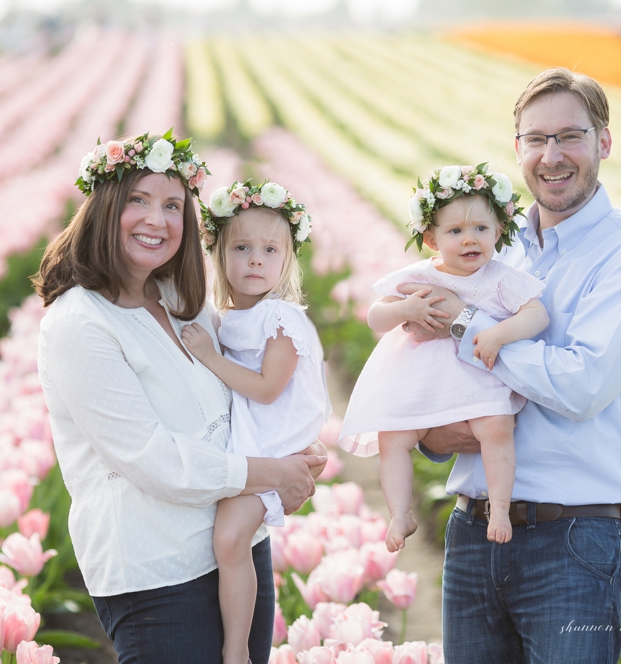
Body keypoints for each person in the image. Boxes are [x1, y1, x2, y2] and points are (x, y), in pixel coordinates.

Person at [400, 68, 621, 661]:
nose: (552, 156)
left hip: (573, 542)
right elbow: (427, 366)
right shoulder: (493, 247)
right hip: (473, 533)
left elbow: (582, 384)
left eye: (570, 137)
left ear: (604, 142)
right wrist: (429, 432)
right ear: (518, 149)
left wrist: (466, 328)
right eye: (536, 139)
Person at [34, 131, 326, 663]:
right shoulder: (79, 324)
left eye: (173, 205)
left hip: (237, 547)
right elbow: (153, 459)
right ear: (103, 208)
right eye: (138, 201)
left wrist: (298, 451)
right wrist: (273, 473)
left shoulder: (177, 299)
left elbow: (243, 396)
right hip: (159, 573)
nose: (158, 219)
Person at [335, 163, 546, 553]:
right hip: (421, 380)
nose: (470, 240)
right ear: (431, 239)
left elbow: (537, 315)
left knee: (496, 427)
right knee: (394, 436)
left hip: (477, 375)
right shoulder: (421, 276)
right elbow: (375, 315)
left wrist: (499, 333)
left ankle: (499, 507)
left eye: (481, 229)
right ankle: (400, 512)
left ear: (499, 232)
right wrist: (406, 310)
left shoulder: (500, 278)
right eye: (455, 231)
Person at [174, 180, 331, 664]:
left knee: (229, 539)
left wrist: (207, 354)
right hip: (251, 441)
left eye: (270, 249)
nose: (256, 260)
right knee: (228, 540)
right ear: (220, 256)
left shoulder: (280, 318)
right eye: (242, 248)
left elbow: (267, 388)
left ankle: (238, 650)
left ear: (287, 260)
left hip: (274, 446)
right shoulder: (226, 315)